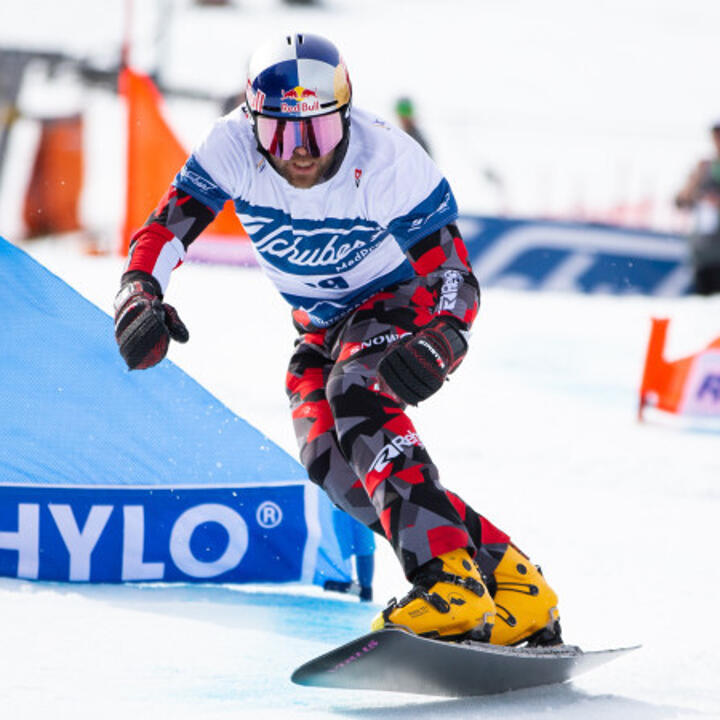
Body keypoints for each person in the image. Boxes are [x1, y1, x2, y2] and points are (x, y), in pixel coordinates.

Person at [113, 33, 561, 646]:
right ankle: (514, 584)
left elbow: (454, 275)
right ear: (251, 123)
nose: (300, 154)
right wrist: (140, 294)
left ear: (346, 115)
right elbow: (165, 229)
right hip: (319, 326)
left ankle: (447, 580)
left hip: (398, 302)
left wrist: (444, 340)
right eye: (280, 134)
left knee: (358, 392)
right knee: (335, 466)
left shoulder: (387, 160)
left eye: (318, 134)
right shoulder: (230, 148)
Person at [675, 120, 720, 295]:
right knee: (705, 306)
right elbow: (680, 201)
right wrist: (698, 194)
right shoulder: (704, 168)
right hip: (704, 254)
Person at [325, 507, 376, 601]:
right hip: (338, 503)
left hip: (360, 503)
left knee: (364, 541)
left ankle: (365, 590)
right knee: (338, 542)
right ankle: (334, 579)